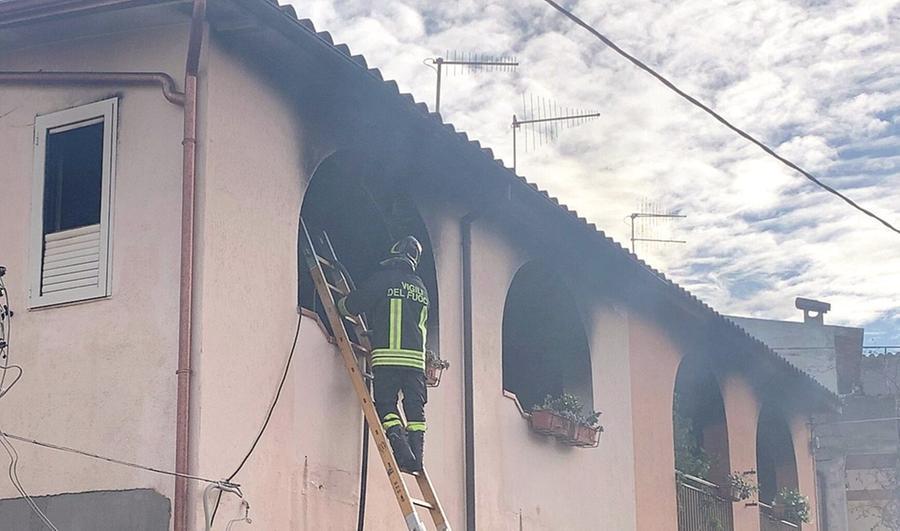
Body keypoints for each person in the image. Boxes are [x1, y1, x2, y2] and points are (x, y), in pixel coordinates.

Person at [337, 235, 430, 473]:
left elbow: (355, 304)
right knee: (415, 413)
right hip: (416, 364)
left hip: (388, 358)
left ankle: (401, 451)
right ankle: (416, 458)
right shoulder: (421, 287)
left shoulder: (385, 279)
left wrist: (341, 305)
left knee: (387, 405)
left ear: (394, 255)